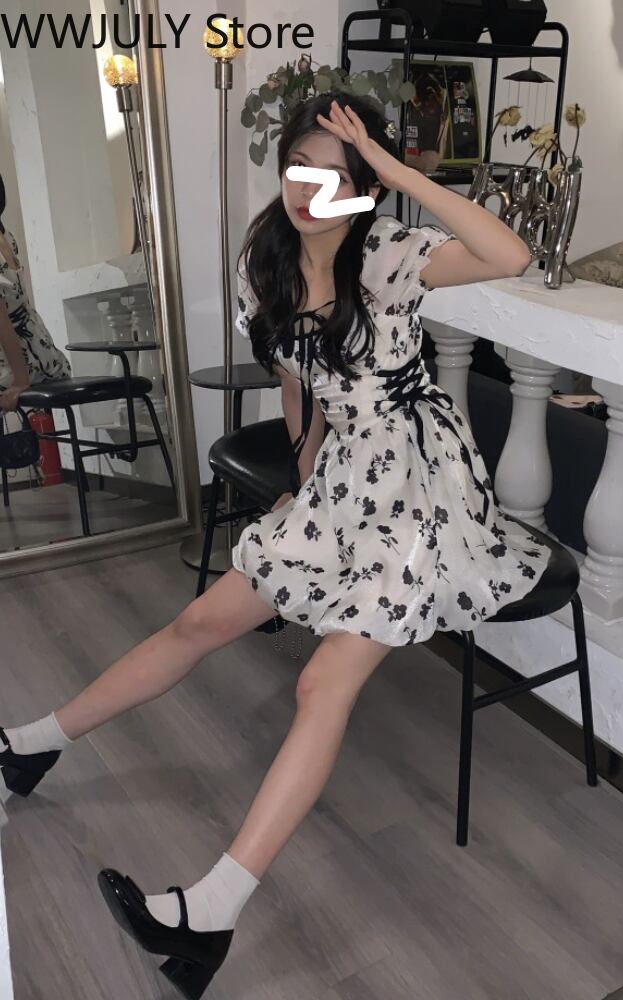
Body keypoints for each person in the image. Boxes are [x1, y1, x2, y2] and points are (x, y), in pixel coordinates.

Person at [0, 91, 550, 998]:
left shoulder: (390, 253)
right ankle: (28, 744)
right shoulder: (269, 263)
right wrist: (302, 488)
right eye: (299, 167)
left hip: (421, 494)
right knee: (199, 622)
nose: (309, 189)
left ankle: (212, 910)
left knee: (320, 683)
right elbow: (301, 388)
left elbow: (510, 254)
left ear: (364, 186)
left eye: (336, 176)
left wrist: (397, 172)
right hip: (342, 485)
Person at [0, 173, 71, 414]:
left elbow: (3, 323)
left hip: (17, 366)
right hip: (45, 356)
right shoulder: (6, 237)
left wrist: (20, 381)